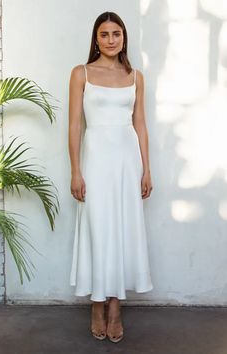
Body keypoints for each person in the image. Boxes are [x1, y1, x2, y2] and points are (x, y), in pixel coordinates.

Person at [68, 11, 153, 343]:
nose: (111, 39)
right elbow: (75, 125)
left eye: (116, 33)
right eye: (104, 34)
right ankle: (97, 303)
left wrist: (146, 168)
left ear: (124, 37)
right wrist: (76, 169)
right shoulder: (81, 74)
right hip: (95, 159)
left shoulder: (135, 76)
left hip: (126, 161)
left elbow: (140, 124)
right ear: (96, 39)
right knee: (97, 228)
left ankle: (115, 307)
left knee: (122, 229)